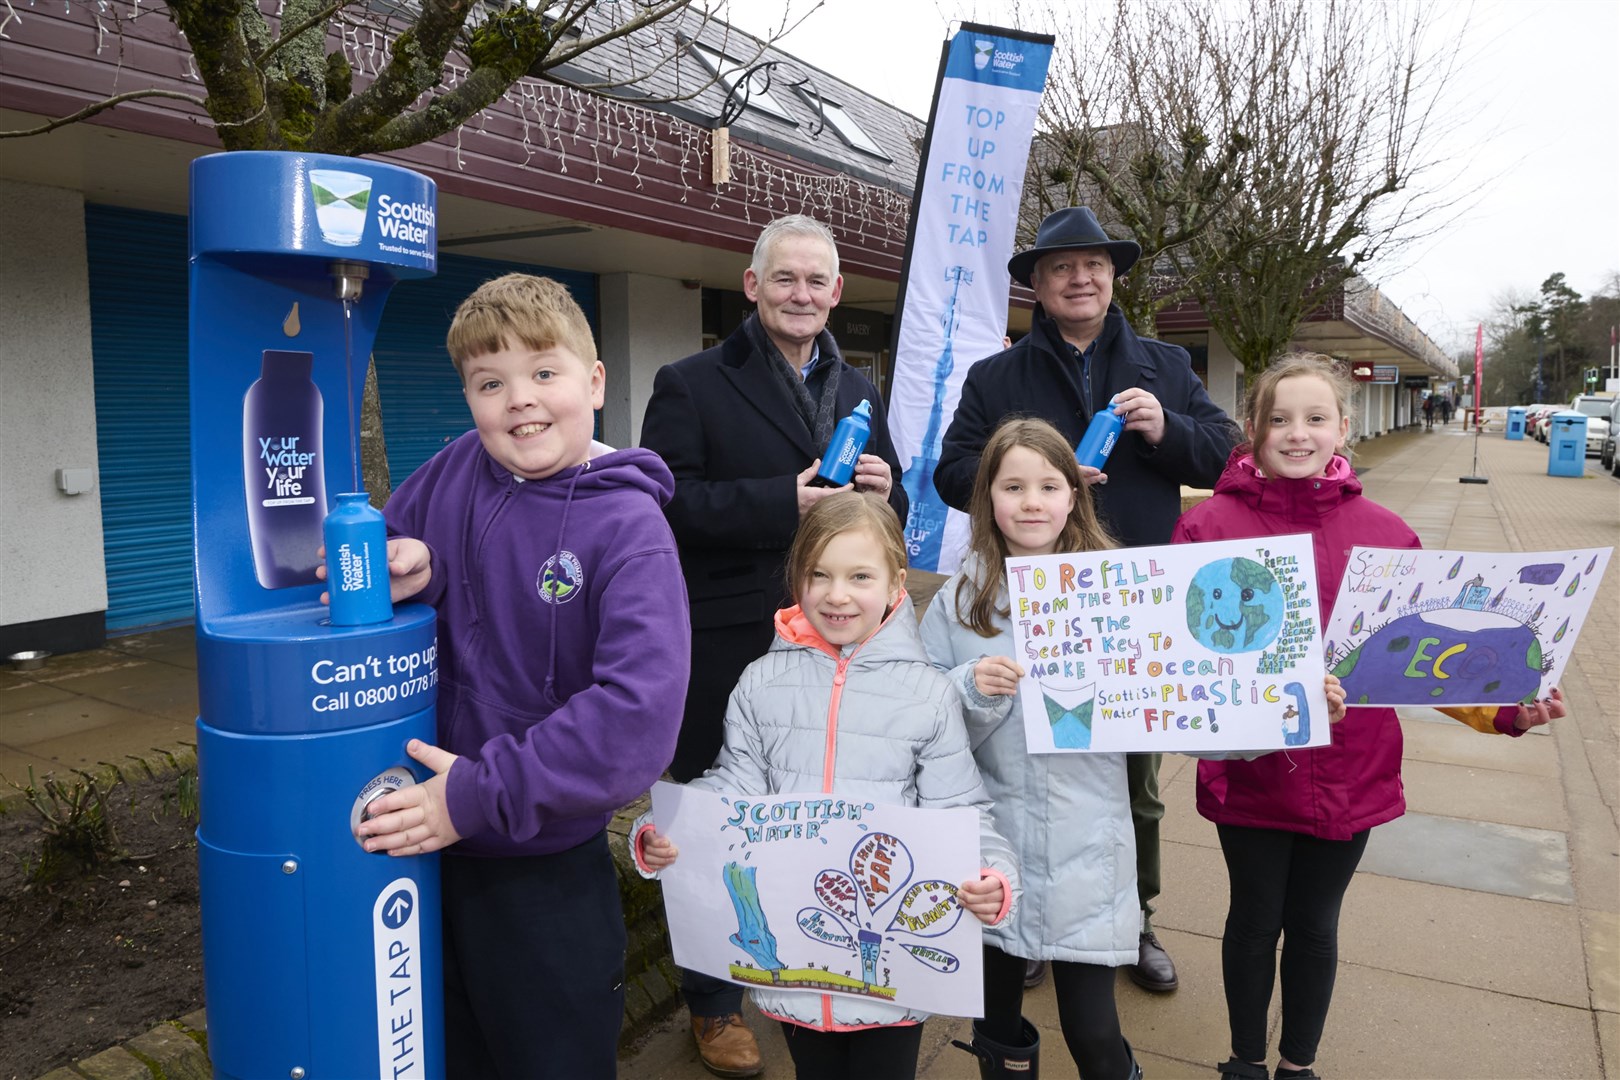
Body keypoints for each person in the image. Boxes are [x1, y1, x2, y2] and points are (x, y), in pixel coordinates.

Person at [1172, 352, 1568, 1080]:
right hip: (1251, 773)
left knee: (1317, 926)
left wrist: (1511, 711)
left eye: (1315, 418)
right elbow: (1182, 661)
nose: (1298, 434)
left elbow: (1424, 661)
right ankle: (1245, 1061)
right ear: (1253, 430)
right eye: (1280, 419)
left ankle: (1298, 1065)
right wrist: (1277, 697)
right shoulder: (1208, 528)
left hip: (1352, 770)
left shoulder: (1387, 533)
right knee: (1255, 920)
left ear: (1343, 428)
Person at [338, 274, 690, 1079]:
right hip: (430, 858)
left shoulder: (632, 530)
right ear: (467, 397)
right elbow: (395, 556)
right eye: (489, 383)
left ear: (594, 383)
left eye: (543, 372)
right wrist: (407, 570)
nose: (519, 401)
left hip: (541, 876)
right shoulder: (458, 468)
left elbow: (634, 719)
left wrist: (473, 798)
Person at [935, 206, 1240, 994]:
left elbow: (1226, 452)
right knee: (1023, 770)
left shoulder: (1165, 365)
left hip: (1129, 602)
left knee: (1130, 781)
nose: (1081, 278)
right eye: (1062, 267)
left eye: (1095, 265)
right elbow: (949, 472)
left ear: (1114, 278)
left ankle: (1133, 923)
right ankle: (1028, 921)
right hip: (1022, 599)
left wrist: (1166, 428)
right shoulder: (996, 376)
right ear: (1036, 284)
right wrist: (1037, 480)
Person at [640, 214, 908, 1076]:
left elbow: (887, 509)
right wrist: (774, 503)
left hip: (837, 642)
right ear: (752, 286)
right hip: (731, 639)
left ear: (836, 293)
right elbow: (665, 501)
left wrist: (885, 487)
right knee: (716, 816)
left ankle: (799, 953)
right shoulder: (690, 381)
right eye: (784, 279)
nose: (802, 294)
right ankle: (713, 1005)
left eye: (817, 282)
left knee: (811, 804)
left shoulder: (861, 387)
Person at [633, 491, 1018, 1080]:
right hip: (796, 964)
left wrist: (992, 875)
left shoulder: (929, 694)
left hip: (893, 979)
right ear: (798, 580)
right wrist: (666, 829)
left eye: (859, 576)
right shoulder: (761, 682)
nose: (837, 594)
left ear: (895, 583)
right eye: (820, 575)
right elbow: (735, 781)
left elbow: (960, 809)